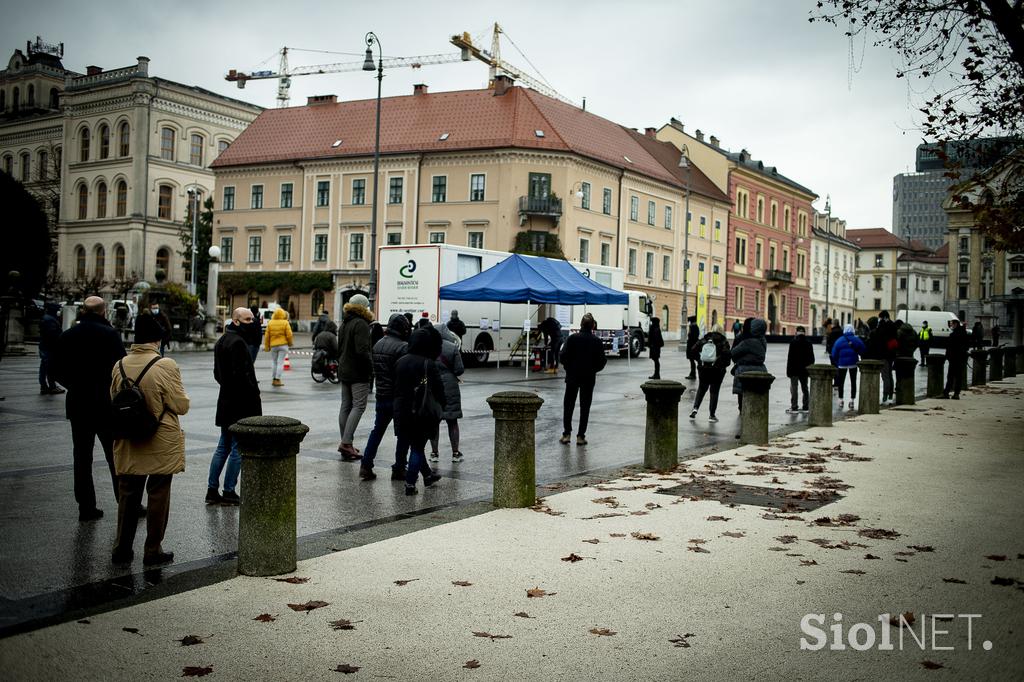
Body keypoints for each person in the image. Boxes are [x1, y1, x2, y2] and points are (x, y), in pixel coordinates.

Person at [109, 312, 190, 566]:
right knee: (157, 494)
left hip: (129, 437)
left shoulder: (119, 364)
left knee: (128, 495)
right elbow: (180, 405)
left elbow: (114, 398)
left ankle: (122, 549)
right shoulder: (166, 365)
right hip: (159, 439)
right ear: (157, 340)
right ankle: (152, 550)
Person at [53, 296, 126, 522]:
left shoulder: (68, 335)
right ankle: (123, 501)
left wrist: (74, 386)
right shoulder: (110, 335)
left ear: (84, 311)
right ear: (104, 312)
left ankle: (86, 506)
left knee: (82, 457)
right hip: (105, 404)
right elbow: (120, 368)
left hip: (78, 404)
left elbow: (56, 370)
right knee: (114, 456)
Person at [208, 307, 262, 505]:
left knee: (223, 446)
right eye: (247, 320)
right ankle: (229, 490)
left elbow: (217, 373)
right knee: (237, 449)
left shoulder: (223, 339)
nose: (252, 323)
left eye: (252, 319)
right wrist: (252, 396)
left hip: (226, 400)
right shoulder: (239, 343)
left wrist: (227, 385)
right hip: (240, 404)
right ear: (236, 321)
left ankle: (212, 489)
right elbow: (242, 376)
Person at [360, 313, 412, 481]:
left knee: (377, 431)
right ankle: (399, 468)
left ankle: (366, 465)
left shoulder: (378, 344)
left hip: (381, 394)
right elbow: (404, 374)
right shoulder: (403, 347)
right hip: (397, 397)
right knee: (403, 433)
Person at [394, 326, 445, 495]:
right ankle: (410, 483)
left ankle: (428, 475)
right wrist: (441, 407)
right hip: (421, 411)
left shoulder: (400, 361)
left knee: (413, 445)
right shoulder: (427, 363)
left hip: (401, 410)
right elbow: (438, 389)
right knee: (417, 448)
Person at [559, 313, 607, 445]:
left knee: (568, 405)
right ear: (592, 326)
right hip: (588, 378)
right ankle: (580, 436)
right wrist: (593, 370)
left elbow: (562, 356)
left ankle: (566, 434)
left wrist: (569, 367)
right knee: (585, 407)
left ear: (580, 325)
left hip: (572, 377)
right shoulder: (596, 341)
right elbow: (602, 361)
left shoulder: (572, 338)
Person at [337, 294, 373, 461]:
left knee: (346, 405)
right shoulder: (361, 324)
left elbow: (340, 348)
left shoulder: (345, 322)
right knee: (358, 406)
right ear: (363, 307)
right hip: (358, 371)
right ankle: (346, 443)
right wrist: (371, 368)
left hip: (344, 368)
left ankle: (346, 442)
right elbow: (362, 351)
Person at [429, 323, 465, 464]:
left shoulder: (428, 347)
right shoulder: (452, 347)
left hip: (433, 386)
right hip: (450, 387)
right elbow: (459, 370)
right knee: (452, 421)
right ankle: (455, 453)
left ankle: (434, 453)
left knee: (433, 422)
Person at [689, 323, 731, 421]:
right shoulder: (723, 341)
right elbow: (727, 357)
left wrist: (700, 361)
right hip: (717, 371)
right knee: (714, 392)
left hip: (703, 369)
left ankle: (695, 408)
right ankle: (711, 415)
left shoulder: (704, 339)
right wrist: (720, 365)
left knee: (701, 389)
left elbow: (693, 350)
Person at [731, 318, 767, 417]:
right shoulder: (763, 340)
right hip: (761, 370)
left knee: (743, 396)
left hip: (744, 370)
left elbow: (733, 353)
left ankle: (745, 419)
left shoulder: (746, 341)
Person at [831, 324, 866, 410]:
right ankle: (852, 400)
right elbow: (863, 350)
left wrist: (837, 362)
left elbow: (834, 353)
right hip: (853, 363)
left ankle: (841, 400)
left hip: (841, 364)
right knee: (853, 382)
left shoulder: (839, 340)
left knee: (840, 382)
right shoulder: (856, 340)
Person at [786, 325, 815, 413]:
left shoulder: (793, 342)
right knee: (805, 388)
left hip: (794, 370)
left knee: (794, 388)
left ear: (797, 332)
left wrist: (788, 371)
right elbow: (812, 358)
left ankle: (794, 407)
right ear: (804, 333)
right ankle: (806, 406)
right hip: (804, 370)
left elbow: (790, 358)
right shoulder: (809, 343)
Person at [263, 308, 293, 387]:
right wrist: (290, 343)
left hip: (273, 346)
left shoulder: (270, 323)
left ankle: (273, 379)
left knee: (274, 362)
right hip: (283, 345)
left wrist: (267, 347)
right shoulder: (285, 322)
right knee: (280, 362)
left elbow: (267, 336)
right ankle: (277, 379)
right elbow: (289, 335)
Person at [38, 303, 64, 395]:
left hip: (46, 346)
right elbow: (52, 335)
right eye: (58, 310)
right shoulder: (49, 320)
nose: (59, 312)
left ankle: (46, 386)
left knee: (46, 367)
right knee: (48, 367)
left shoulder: (47, 318)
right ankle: (49, 386)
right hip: (50, 347)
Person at [874, 311, 897, 405]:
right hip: (891, 354)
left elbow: (879, 339)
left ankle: (884, 397)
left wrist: (879, 326)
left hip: (884, 354)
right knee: (890, 375)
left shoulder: (883, 326)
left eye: (880, 318)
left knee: (885, 376)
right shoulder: (893, 325)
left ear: (884, 317)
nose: (879, 319)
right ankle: (890, 396)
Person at [943, 318, 970, 399]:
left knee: (951, 376)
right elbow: (967, 346)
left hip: (954, 358)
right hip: (960, 358)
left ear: (956, 324)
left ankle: (947, 392)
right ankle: (956, 394)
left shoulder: (955, 335)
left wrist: (948, 356)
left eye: (952, 324)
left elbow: (950, 347)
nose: (951, 326)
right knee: (958, 377)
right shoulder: (963, 333)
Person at [684, 316, 700, 380]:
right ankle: (692, 373)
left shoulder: (693, 327)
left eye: (690, 321)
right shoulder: (695, 327)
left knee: (693, 360)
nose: (689, 323)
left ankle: (693, 374)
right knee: (693, 360)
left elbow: (692, 337)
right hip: (694, 346)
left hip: (692, 346)